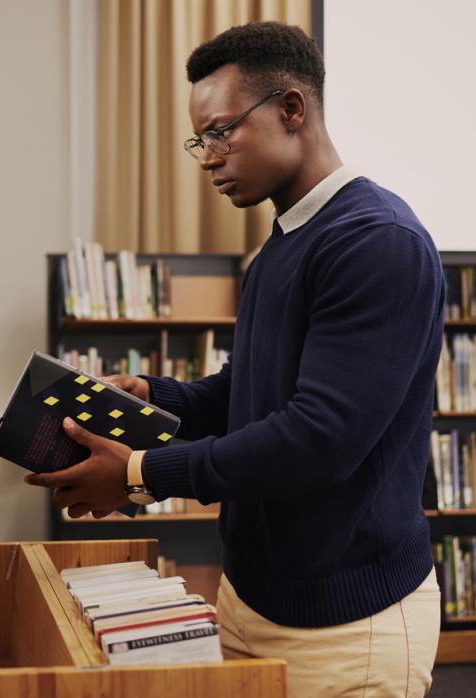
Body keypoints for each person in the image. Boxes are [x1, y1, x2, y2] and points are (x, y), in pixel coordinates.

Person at [25, 21, 444, 697]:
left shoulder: (377, 243)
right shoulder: (281, 244)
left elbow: (318, 440)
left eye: (221, 131)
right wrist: (154, 396)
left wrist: (140, 473)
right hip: (251, 598)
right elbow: (249, 392)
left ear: (291, 109)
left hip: (347, 627)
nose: (208, 157)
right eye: (201, 140)